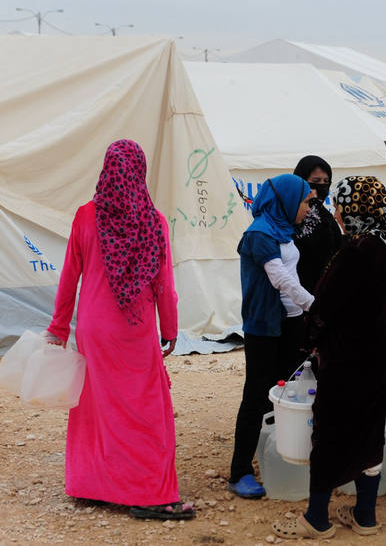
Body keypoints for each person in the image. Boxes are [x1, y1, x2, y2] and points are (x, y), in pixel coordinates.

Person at [46, 140, 194, 520]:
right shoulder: (153, 220)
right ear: (140, 172)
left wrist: (59, 327)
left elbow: (70, 276)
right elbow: (164, 283)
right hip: (134, 330)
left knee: (95, 409)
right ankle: (150, 493)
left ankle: (92, 485)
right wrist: (169, 327)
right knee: (145, 411)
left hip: (93, 330)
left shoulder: (86, 215)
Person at [272, 176, 386, 539]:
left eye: (340, 206)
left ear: (356, 209)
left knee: (330, 430)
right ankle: (365, 516)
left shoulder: (359, 251)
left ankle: (317, 518)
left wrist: (311, 339)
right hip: (382, 353)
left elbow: (325, 305)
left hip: (351, 356)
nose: (336, 213)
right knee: (369, 430)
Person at [227, 175, 317, 499]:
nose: (308, 209)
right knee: (256, 395)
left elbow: (291, 274)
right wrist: (315, 306)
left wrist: (305, 311)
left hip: (289, 323)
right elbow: (280, 277)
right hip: (264, 325)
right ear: (287, 200)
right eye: (305, 202)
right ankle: (239, 472)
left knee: (285, 392)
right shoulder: (260, 233)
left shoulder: (283, 229)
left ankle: (278, 460)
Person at [292, 156, 343, 292]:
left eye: (326, 181)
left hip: (328, 289)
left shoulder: (326, 215)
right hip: (302, 291)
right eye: (316, 181)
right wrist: (312, 204)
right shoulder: (293, 216)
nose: (322, 186)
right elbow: (307, 243)